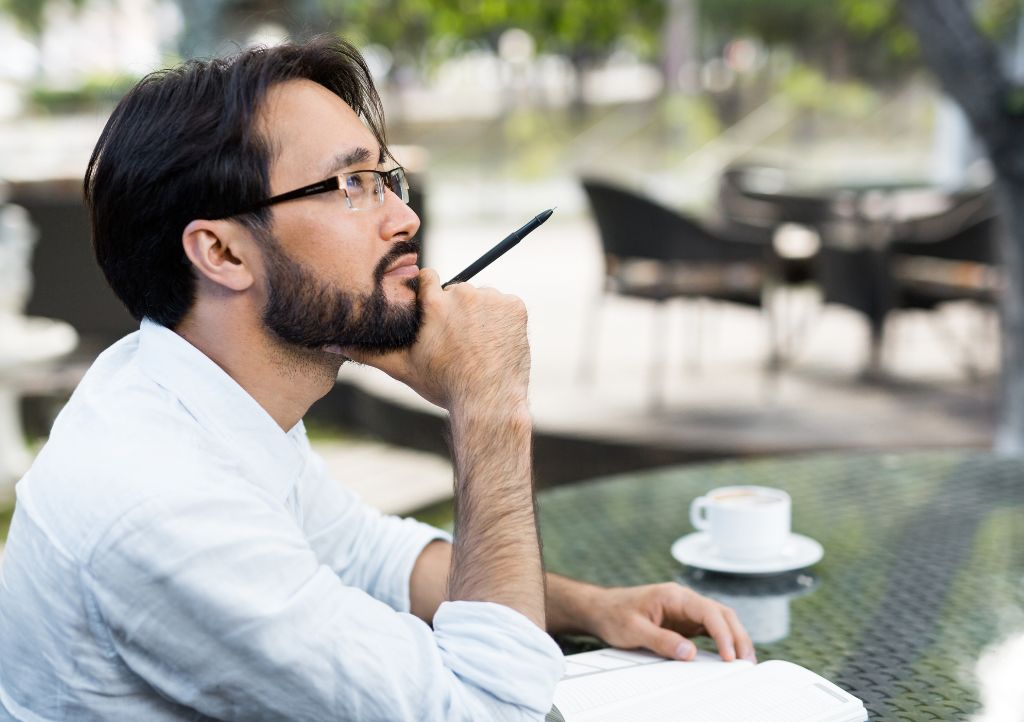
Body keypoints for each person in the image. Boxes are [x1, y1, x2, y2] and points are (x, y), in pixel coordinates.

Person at [0, 36, 754, 721]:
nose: (403, 218)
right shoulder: (163, 508)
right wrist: (488, 406)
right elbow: (489, 711)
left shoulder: (188, 385)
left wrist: (592, 607)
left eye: (386, 179)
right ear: (222, 254)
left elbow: (370, 558)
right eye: (352, 184)